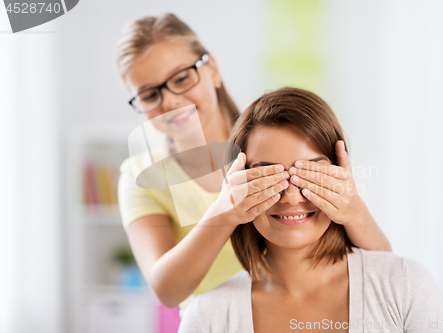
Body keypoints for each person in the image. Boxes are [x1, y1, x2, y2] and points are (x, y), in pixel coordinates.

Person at [115, 13, 392, 314]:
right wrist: (224, 213)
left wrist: (353, 208)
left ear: (213, 70)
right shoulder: (139, 176)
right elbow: (167, 290)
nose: (169, 101)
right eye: (149, 95)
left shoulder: (267, 134)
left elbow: (384, 266)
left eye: (181, 78)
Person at [178, 87, 443, 333]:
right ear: (236, 187)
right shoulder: (207, 318)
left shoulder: (406, 285)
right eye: (268, 177)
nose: (290, 197)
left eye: (309, 175)